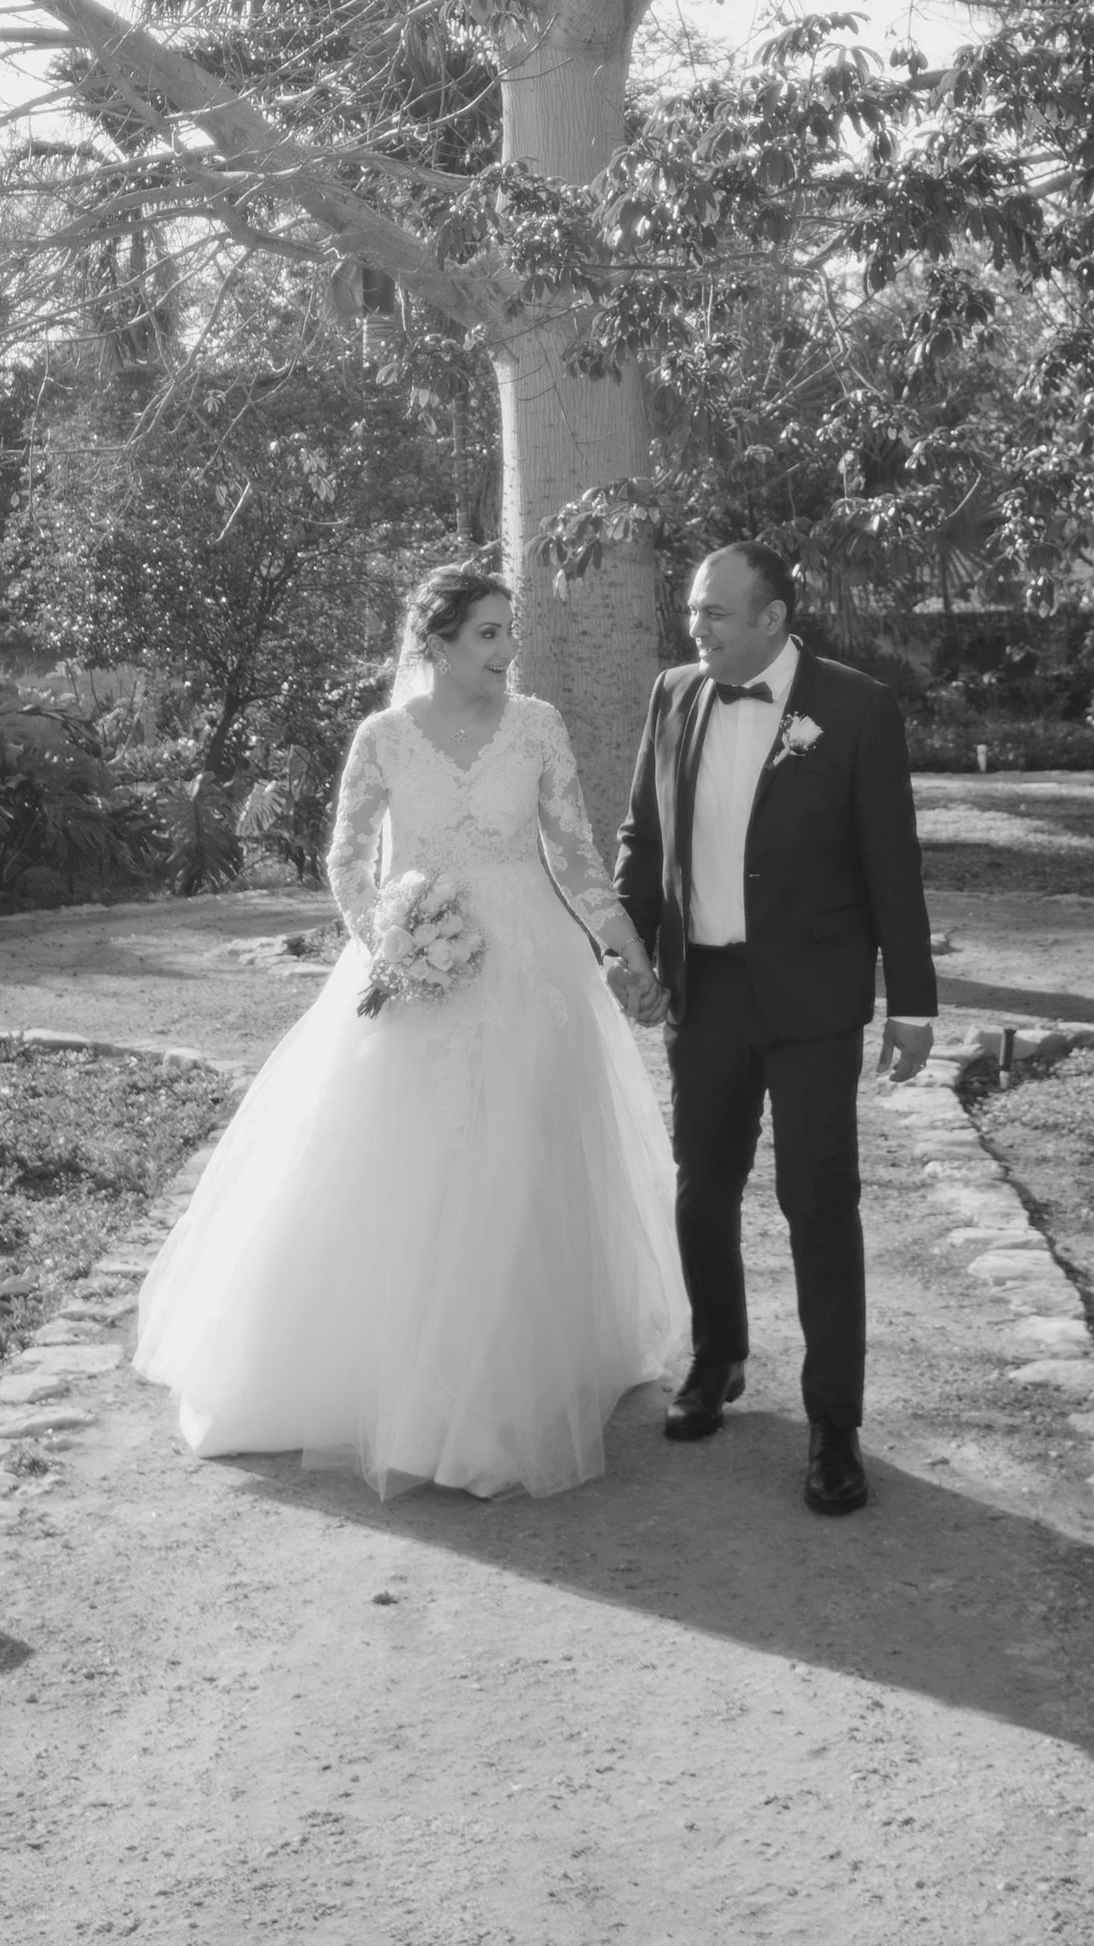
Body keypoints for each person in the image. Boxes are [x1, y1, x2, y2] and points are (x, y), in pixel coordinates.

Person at [132, 562, 685, 1500]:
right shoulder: (382, 737)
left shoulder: (539, 727)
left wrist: (623, 946)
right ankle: (401, 1382)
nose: (507, 652)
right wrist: (389, 944)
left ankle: (519, 1377)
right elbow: (347, 858)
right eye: (487, 635)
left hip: (531, 972)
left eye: (510, 632)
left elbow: (576, 852)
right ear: (436, 642)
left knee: (522, 1160)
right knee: (415, 1166)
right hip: (415, 966)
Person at [614, 540, 938, 1519]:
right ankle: (717, 1361)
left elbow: (892, 866)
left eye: (715, 613)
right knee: (700, 1189)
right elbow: (643, 838)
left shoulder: (855, 709)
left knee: (816, 1201)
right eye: (692, 614)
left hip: (811, 1001)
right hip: (702, 991)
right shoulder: (672, 695)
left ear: (773, 617)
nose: (696, 629)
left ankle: (834, 1426)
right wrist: (630, 952)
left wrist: (912, 1000)